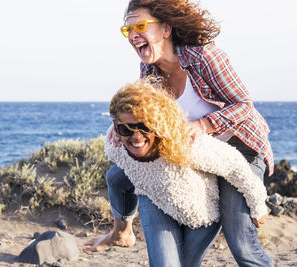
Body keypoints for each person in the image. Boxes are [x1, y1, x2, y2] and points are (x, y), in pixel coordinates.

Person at [84, 0, 274, 266]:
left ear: (165, 29)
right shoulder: (148, 70)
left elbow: (243, 105)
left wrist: (203, 125)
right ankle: (122, 231)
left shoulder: (203, 57)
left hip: (240, 149)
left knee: (241, 240)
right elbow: (143, 112)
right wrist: (119, 129)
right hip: (194, 155)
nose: (133, 35)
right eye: (128, 30)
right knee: (117, 175)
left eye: (140, 25)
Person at [93, 79, 268, 266]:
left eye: (144, 127)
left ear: (158, 123)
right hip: (155, 201)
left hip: (201, 217)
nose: (136, 136)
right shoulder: (115, 146)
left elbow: (236, 166)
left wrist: (257, 205)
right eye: (126, 128)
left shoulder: (186, 145)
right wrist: (121, 227)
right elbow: (115, 180)